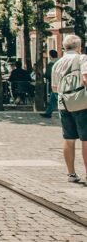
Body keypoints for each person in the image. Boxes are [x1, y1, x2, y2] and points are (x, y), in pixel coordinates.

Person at [49, 34, 87, 184]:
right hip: (83, 104)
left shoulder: (57, 63)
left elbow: (54, 88)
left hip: (64, 104)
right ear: (78, 47)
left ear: (64, 47)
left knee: (69, 139)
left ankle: (71, 174)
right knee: (86, 140)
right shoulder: (82, 58)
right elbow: (85, 79)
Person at [42, 49, 60, 118]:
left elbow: (47, 74)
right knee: (53, 99)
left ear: (50, 56)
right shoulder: (60, 61)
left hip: (54, 83)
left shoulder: (50, 64)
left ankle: (68, 112)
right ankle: (48, 112)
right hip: (60, 82)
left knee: (57, 98)